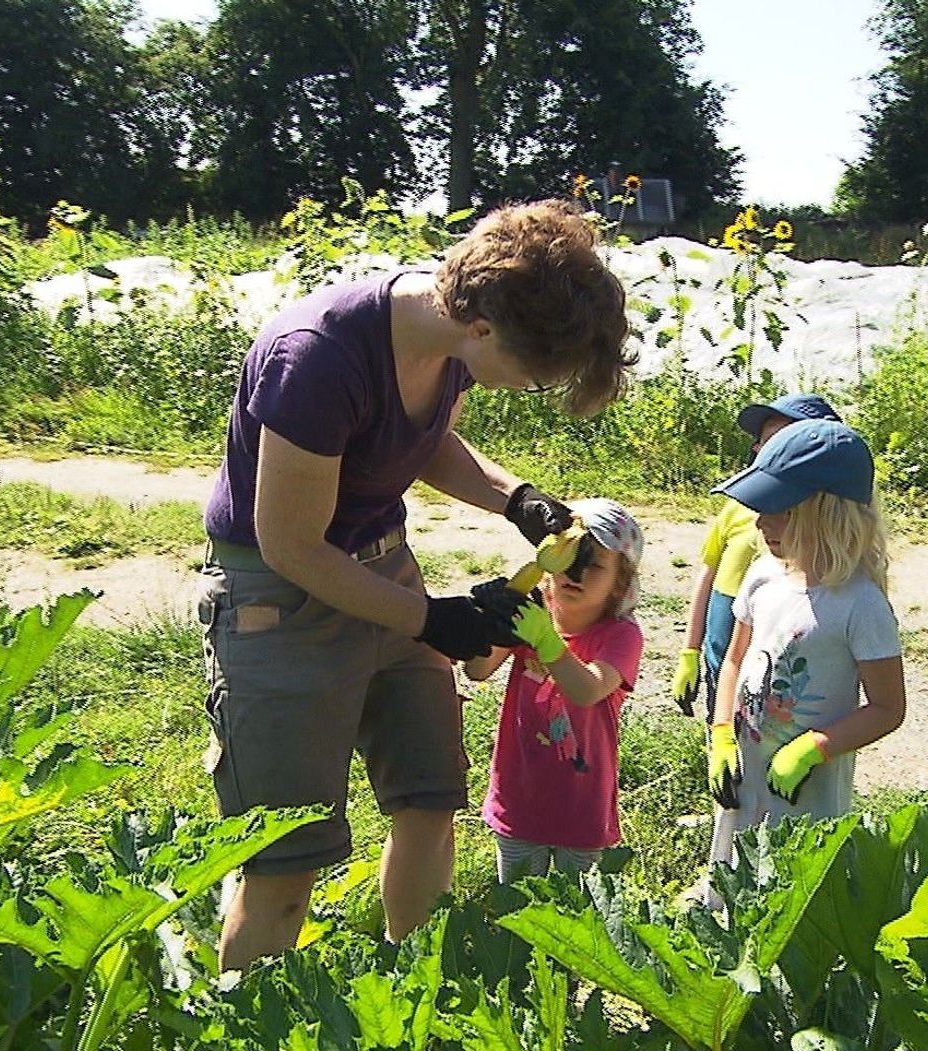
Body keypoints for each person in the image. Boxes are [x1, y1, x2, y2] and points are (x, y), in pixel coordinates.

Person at [198, 200, 632, 970]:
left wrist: (516, 498)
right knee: (284, 862)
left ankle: (417, 985)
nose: (521, 389)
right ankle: (241, 1049)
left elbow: (425, 438)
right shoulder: (318, 358)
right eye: (533, 378)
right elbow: (292, 543)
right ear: (484, 326)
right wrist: (431, 620)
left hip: (384, 567)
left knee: (431, 800)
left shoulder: (447, 344)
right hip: (282, 597)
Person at [704, 420, 906, 869]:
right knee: (735, 871)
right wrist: (720, 734)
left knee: (794, 881)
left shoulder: (860, 604)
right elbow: (735, 659)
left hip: (807, 781)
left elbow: (888, 708)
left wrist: (813, 748)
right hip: (747, 765)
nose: (761, 522)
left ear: (830, 513)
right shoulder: (761, 578)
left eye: (781, 510)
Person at [463, 499, 645, 881]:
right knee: (517, 908)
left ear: (620, 583)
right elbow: (478, 670)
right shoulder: (532, 615)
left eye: (593, 566)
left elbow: (588, 690)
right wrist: (493, 621)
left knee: (578, 914)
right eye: (569, 560)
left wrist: (546, 640)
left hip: (582, 807)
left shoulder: (620, 636)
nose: (576, 574)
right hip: (519, 798)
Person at [670, 393, 843, 721]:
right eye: (760, 440)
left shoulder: (826, 525)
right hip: (722, 663)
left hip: (779, 687)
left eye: (773, 440)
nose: (756, 448)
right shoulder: (736, 506)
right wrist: (690, 650)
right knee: (720, 734)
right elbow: (708, 575)